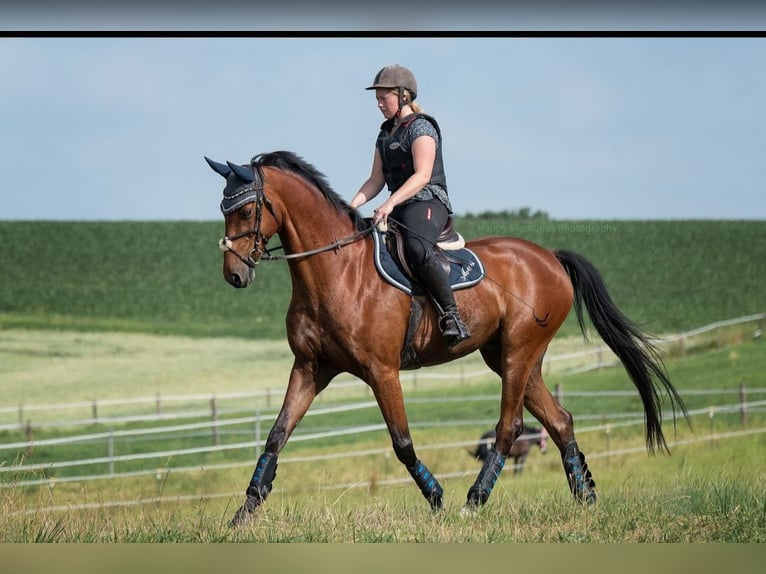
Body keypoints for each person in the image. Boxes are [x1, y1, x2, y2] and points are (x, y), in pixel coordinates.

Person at [350, 64, 470, 346]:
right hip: (399, 206)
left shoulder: (422, 127)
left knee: (417, 246)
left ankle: (451, 316)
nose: (379, 104)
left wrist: (389, 203)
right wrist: (349, 207)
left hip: (428, 201)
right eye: (377, 99)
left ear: (403, 96)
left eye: (384, 98)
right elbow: (375, 180)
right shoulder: (384, 134)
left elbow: (423, 175)